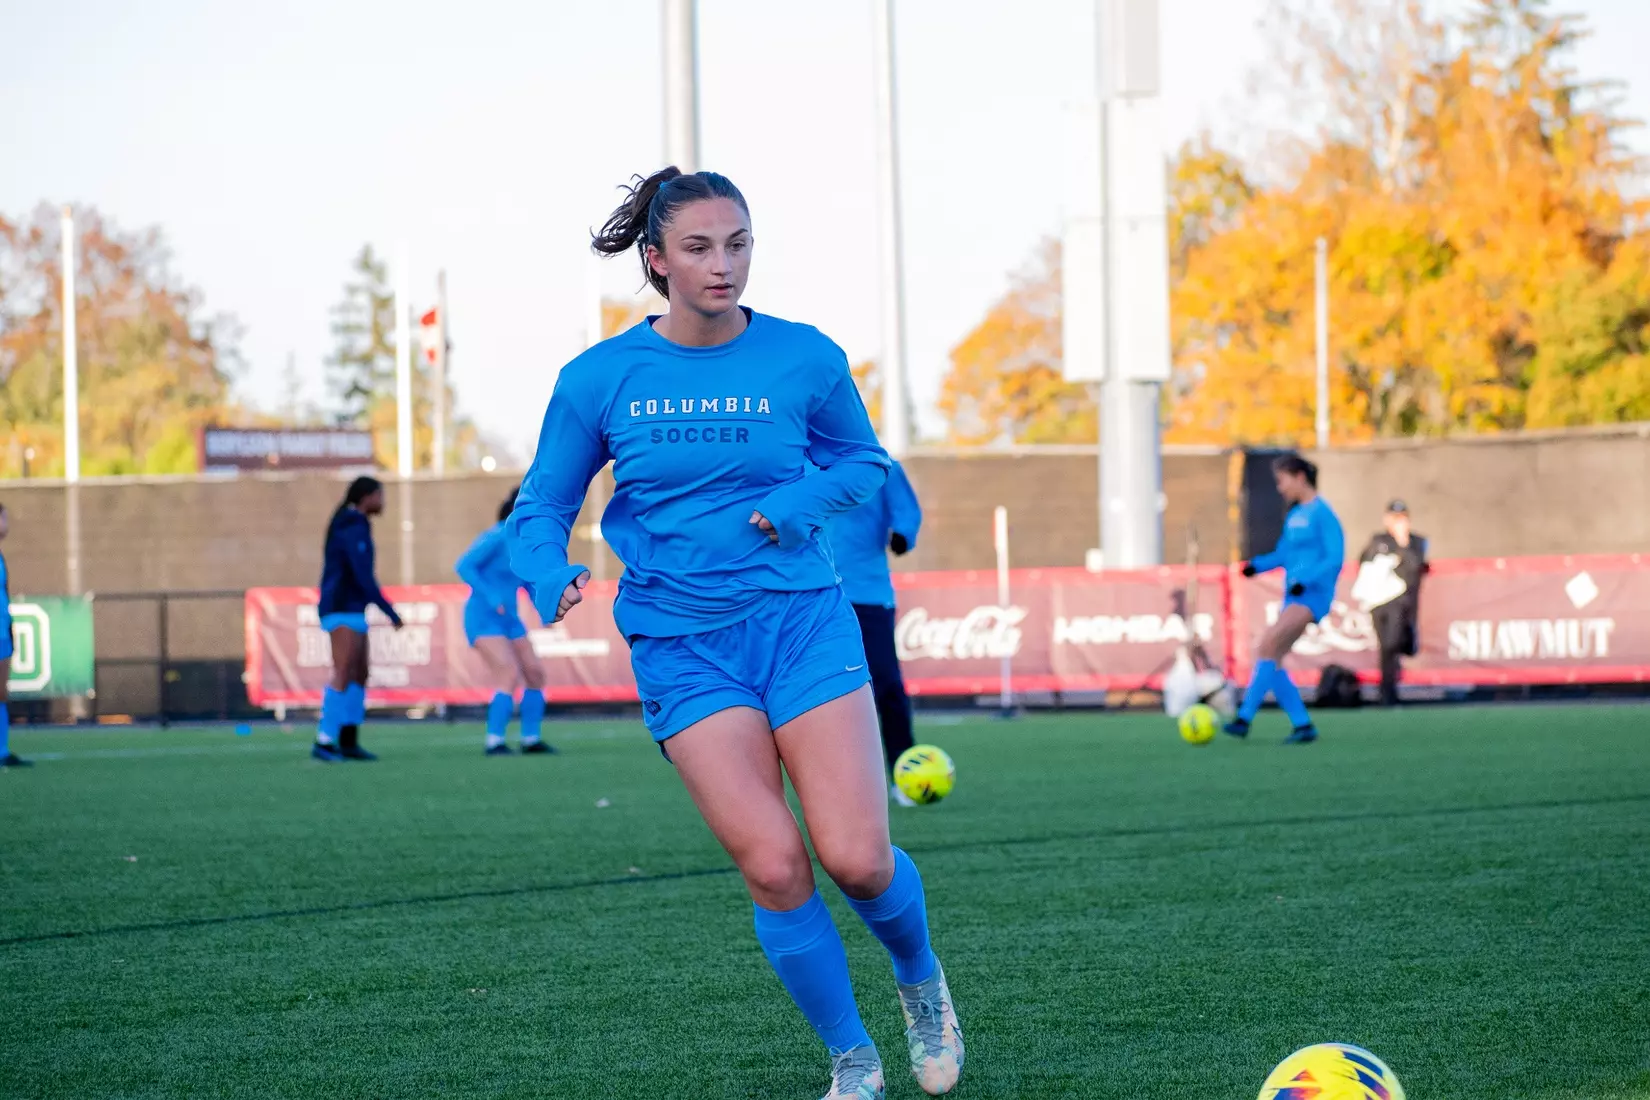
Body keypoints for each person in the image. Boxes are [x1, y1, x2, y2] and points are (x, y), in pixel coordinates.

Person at [508, 167, 963, 1100]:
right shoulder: (599, 377)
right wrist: (549, 572)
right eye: (701, 247)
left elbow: (862, 462)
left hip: (802, 624)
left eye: (738, 244)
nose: (724, 265)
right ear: (657, 260)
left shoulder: (805, 357)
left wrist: (798, 501)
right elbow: (542, 504)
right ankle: (853, 1059)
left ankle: (922, 988)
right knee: (773, 861)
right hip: (682, 644)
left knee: (858, 857)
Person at [1225, 454, 1345, 744]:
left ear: (1300, 477)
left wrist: (1309, 580)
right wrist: (1258, 564)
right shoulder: (1294, 515)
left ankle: (1244, 719)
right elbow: (1285, 554)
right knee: (1272, 657)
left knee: (1267, 646)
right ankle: (1303, 726)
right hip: (1294, 595)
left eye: (1282, 480)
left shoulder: (1322, 514)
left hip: (1312, 595)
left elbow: (1334, 557)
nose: (1280, 488)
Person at [825, 461, 923, 806]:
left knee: (887, 685)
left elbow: (907, 513)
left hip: (868, 594)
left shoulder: (881, 466)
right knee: (817, 694)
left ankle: (904, 772)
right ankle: (833, 783)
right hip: (813, 595)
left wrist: (902, 534)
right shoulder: (799, 460)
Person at [456, 486, 555, 755]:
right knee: (508, 673)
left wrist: (544, 609)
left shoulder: (522, 544)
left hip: (509, 620)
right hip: (483, 618)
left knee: (534, 672)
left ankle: (530, 739)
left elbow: (526, 582)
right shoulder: (497, 536)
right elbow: (464, 565)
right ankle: (494, 741)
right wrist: (491, 597)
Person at [313, 476, 402, 763]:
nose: (382, 502)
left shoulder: (357, 523)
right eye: (379, 496)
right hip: (341, 606)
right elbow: (362, 575)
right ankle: (324, 741)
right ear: (367, 497)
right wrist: (390, 611)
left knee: (359, 673)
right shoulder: (351, 525)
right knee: (342, 671)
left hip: (354, 608)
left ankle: (349, 740)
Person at [1356, 500, 1428, 707]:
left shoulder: (1415, 542)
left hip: (1402, 603)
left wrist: (1403, 544)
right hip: (1379, 602)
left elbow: (1415, 568)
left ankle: (1389, 689)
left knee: (1397, 644)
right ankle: (1387, 693)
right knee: (1386, 646)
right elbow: (1365, 565)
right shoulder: (1378, 540)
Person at [0, 503, 29, 769]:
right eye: (4, 518)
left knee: (1, 694)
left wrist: (10, 628)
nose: (7, 524)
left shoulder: (1, 557)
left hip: (2, 634)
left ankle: (2, 751)